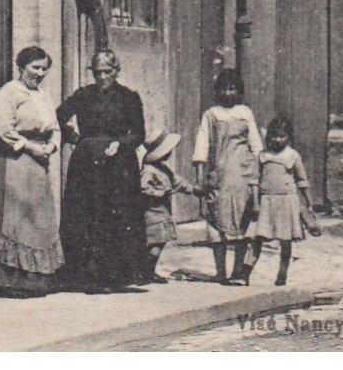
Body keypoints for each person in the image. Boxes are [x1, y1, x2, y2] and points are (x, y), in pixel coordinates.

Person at [57, 50, 148, 292]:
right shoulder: (84, 95)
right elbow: (59, 115)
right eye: (98, 73)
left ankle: (116, 275)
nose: (102, 77)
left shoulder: (129, 98)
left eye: (107, 72)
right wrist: (72, 136)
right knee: (87, 216)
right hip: (87, 163)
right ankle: (88, 276)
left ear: (117, 71)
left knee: (116, 216)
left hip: (119, 165)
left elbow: (139, 133)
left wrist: (121, 144)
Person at [0, 46, 64, 295]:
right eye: (34, 68)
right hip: (15, 159)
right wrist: (30, 147)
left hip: (40, 162)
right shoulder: (8, 93)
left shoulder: (43, 95)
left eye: (43, 69)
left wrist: (51, 145)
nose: (39, 73)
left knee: (38, 218)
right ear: (21, 67)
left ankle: (35, 279)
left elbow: (55, 127)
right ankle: (7, 280)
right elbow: (4, 129)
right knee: (15, 216)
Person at [193, 69, 263, 285]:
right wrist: (200, 179)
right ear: (218, 91)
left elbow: (256, 146)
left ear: (239, 91)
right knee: (216, 224)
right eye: (224, 88)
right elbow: (201, 147)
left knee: (241, 226)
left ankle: (238, 271)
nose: (228, 93)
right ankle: (220, 272)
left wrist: (258, 177)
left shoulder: (245, 113)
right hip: (219, 178)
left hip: (242, 178)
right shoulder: (211, 115)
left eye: (233, 89)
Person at [245, 117, 322, 286]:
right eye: (273, 135)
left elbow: (302, 181)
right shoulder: (262, 156)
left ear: (289, 137)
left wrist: (309, 203)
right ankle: (245, 273)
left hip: (287, 202)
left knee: (285, 241)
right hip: (266, 202)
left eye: (282, 136)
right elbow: (254, 180)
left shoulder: (292, 156)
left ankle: (282, 275)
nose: (277, 140)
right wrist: (256, 204)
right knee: (257, 239)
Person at [139, 129, 196, 283]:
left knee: (160, 242)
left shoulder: (163, 169)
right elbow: (144, 189)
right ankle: (146, 271)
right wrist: (160, 193)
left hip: (163, 212)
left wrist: (193, 189)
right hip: (153, 213)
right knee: (154, 244)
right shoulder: (149, 171)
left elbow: (177, 181)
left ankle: (148, 271)